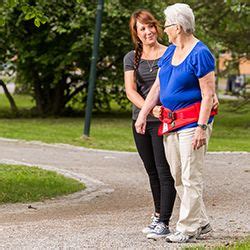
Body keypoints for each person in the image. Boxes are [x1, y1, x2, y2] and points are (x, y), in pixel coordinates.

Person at [135, 3, 219, 243]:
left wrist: (202, 128)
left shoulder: (200, 53)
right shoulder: (171, 51)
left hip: (193, 123)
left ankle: (187, 228)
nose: (165, 29)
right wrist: (144, 113)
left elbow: (208, 95)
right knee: (178, 175)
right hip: (171, 122)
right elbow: (159, 86)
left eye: (167, 24)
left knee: (191, 175)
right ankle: (201, 222)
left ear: (179, 27)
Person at [123, 10, 176, 239]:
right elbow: (130, 90)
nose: (147, 32)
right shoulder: (131, 57)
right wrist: (147, 109)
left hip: (164, 120)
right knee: (151, 170)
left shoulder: (171, 53)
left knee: (165, 172)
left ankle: (164, 222)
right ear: (136, 33)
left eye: (150, 26)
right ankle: (158, 215)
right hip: (141, 121)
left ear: (156, 27)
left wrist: (157, 109)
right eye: (141, 29)